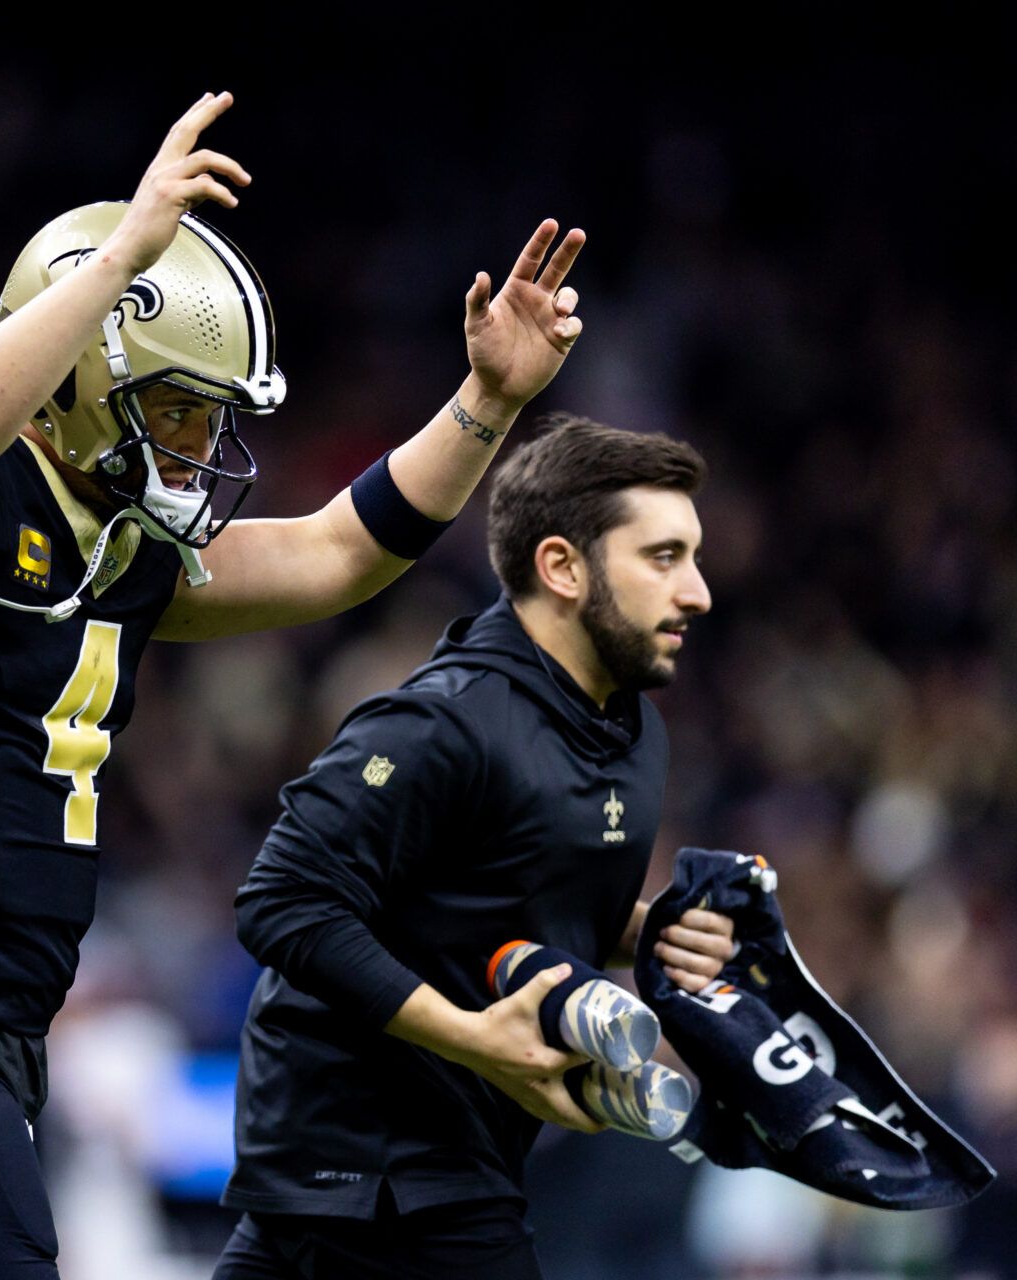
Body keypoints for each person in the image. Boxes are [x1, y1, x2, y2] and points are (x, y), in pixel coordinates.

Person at [0, 91, 589, 1279]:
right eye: (177, 405)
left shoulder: (119, 547)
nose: (197, 444)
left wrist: (488, 403)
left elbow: (339, 551)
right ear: (82, 368)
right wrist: (123, 259)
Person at [216, 418, 740, 1279]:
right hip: (374, 1172)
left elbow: (499, 902)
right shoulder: (442, 723)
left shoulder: (633, 729)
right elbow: (283, 898)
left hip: (437, 1169)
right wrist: (469, 1036)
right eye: (663, 557)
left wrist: (647, 935)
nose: (697, 592)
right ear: (563, 567)